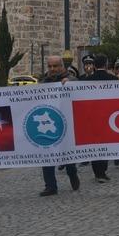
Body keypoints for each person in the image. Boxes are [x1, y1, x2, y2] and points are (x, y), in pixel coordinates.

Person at [39, 56, 80, 196]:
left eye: (55, 66)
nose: (52, 69)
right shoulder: (43, 82)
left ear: (62, 66)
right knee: (47, 154)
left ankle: (72, 174)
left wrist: (70, 83)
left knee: (67, 154)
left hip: (67, 123)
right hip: (48, 123)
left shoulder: (70, 79)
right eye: (50, 66)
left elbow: (80, 87)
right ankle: (50, 186)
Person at [80, 54, 116, 182]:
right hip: (108, 116)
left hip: (92, 116)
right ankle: (103, 171)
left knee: (95, 144)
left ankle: (98, 173)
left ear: (94, 65)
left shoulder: (86, 80)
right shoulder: (113, 79)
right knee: (105, 144)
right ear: (106, 64)